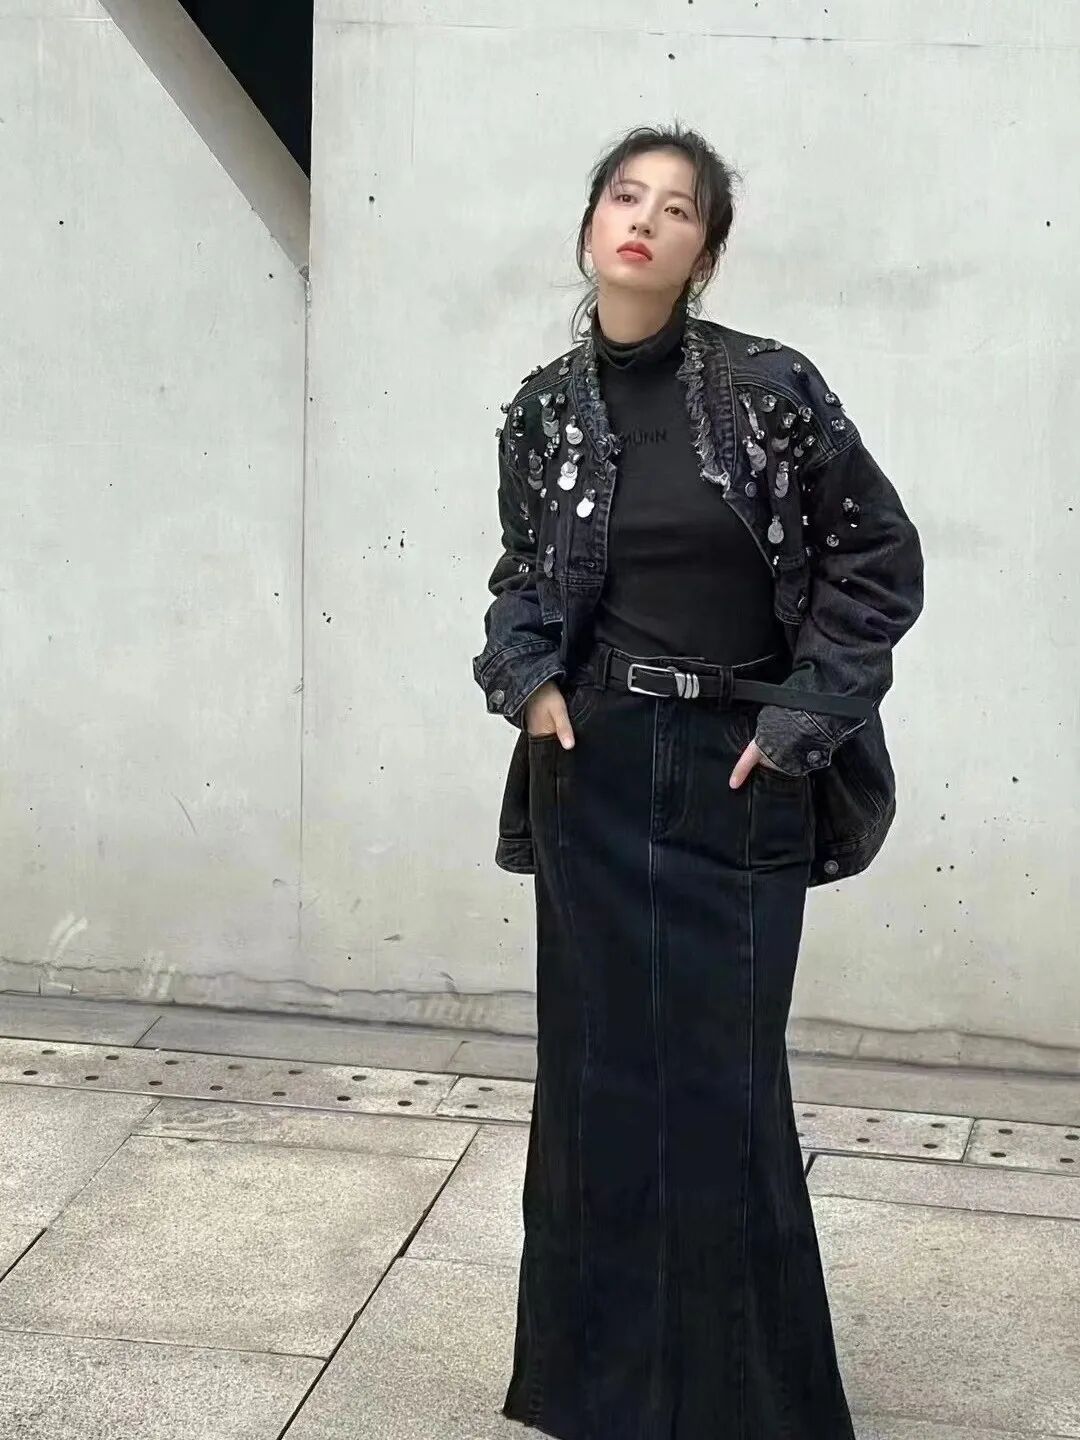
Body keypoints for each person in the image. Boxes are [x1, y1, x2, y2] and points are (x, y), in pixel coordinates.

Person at [472, 122, 924, 1440]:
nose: (645, 221)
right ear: (590, 224)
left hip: (740, 769)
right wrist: (530, 681)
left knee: (723, 1092)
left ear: (705, 251)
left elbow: (877, 560)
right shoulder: (543, 411)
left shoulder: (773, 391)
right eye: (627, 196)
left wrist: (798, 722)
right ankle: (600, 1395)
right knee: (597, 1084)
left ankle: (750, 1407)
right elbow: (522, 579)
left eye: (678, 209)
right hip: (593, 770)